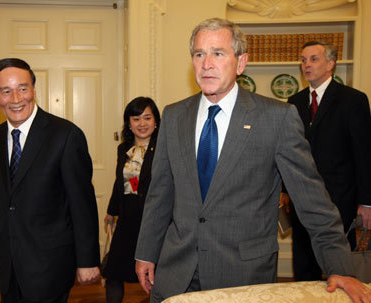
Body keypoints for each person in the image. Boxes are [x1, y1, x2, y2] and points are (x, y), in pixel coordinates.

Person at [134, 18, 371, 303]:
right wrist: (146, 252)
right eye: (199, 54)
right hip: (175, 272)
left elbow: (313, 202)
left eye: (218, 53)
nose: (206, 63)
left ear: (241, 62)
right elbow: (160, 193)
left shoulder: (276, 118)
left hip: (243, 275)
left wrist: (340, 268)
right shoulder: (173, 116)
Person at [0, 58, 100, 303]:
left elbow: (81, 204)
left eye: (23, 88)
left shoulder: (65, 136)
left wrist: (87, 261)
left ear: (34, 89)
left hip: (50, 267)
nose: (16, 99)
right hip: (8, 268)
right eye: (6, 91)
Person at [280, 41, 371, 281]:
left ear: (331, 64)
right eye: (302, 60)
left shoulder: (353, 100)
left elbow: (364, 154)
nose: (306, 65)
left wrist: (366, 202)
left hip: (341, 199)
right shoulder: (295, 102)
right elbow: (287, 152)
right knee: (304, 266)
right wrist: (284, 191)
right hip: (302, 199)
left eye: (313, 59)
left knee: (341, 270)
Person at [102, 97, 160, 303]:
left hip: (153, 220)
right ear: (129, 123)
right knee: (113, 273)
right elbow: (121, 183)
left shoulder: (163, 148)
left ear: (156, 121)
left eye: (147, 118)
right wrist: (111, 211)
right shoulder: (123, 149)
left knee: (155, 276)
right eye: (136, 119)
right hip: (127, 218)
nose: (142, 124)